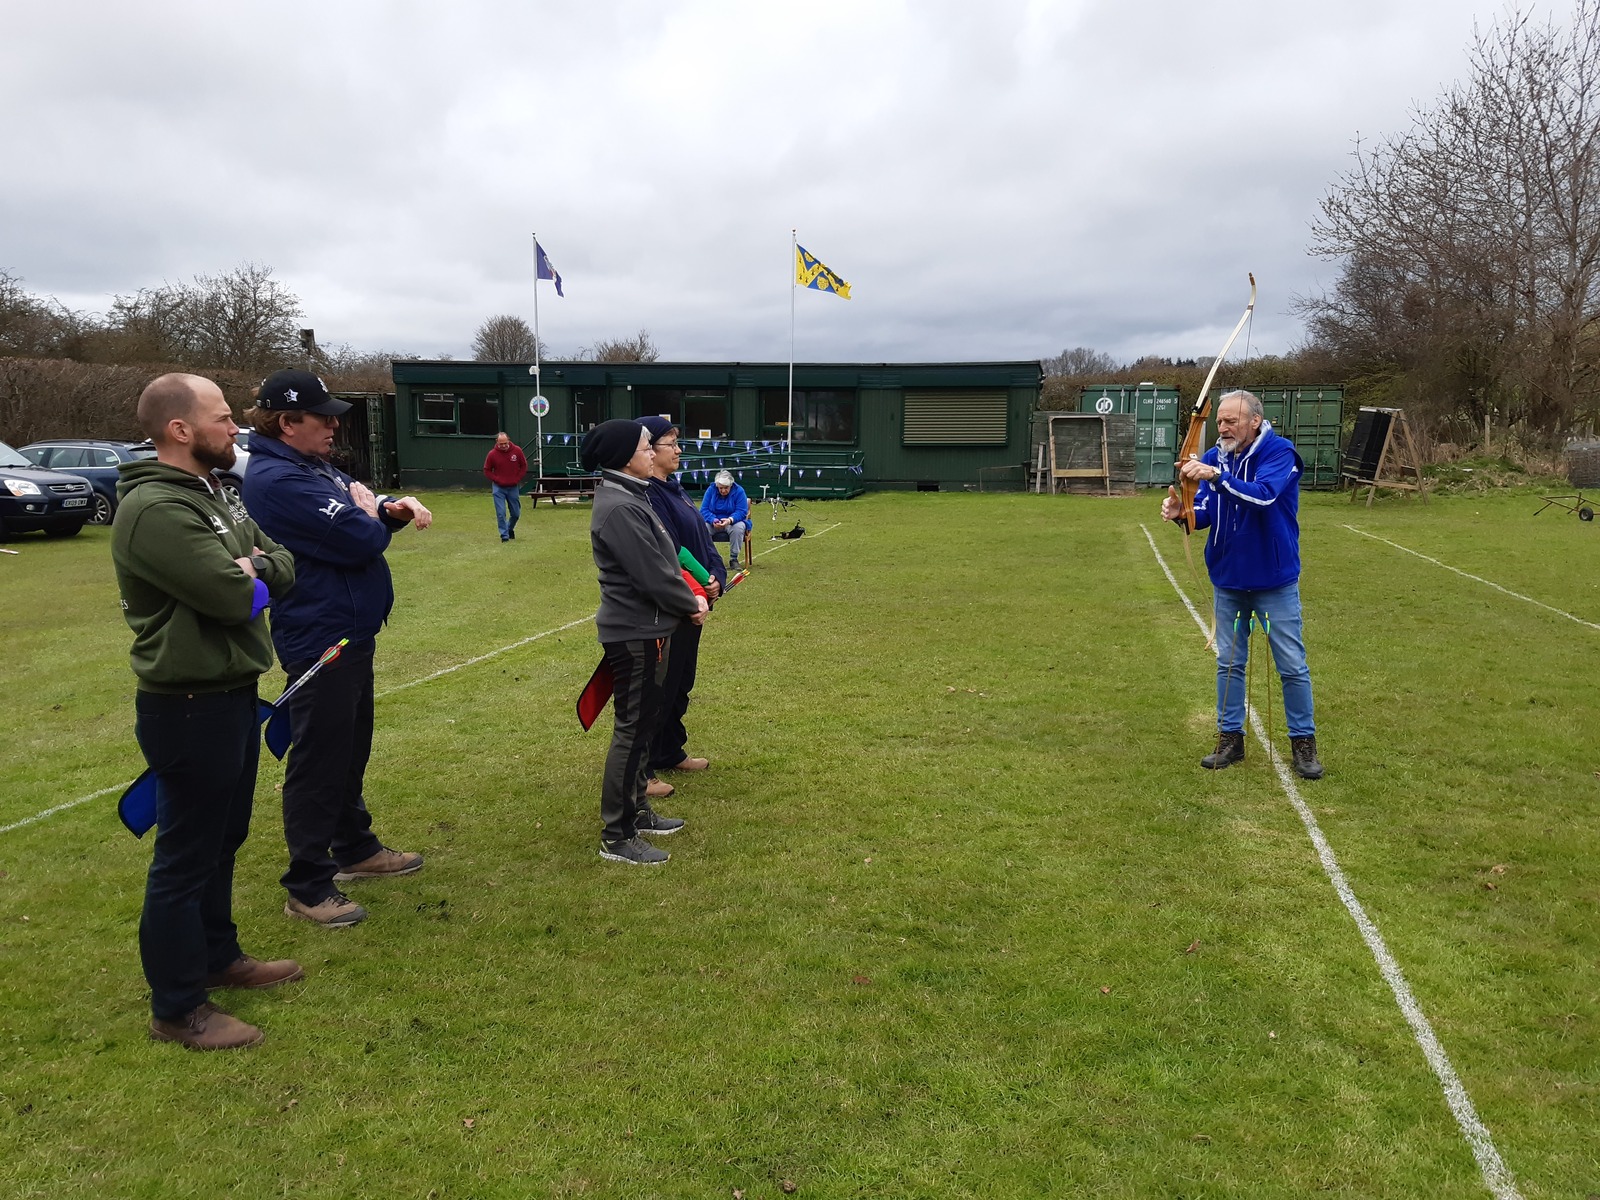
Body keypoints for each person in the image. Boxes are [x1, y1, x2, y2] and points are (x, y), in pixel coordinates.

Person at [112, 373, 302, 1050]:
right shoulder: (158, 510)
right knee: (185, 855)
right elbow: (231, 598)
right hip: (186, 704)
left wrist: (254, 570)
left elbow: (282, 565)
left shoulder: (213, 494)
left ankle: (220, 957)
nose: (236, 429)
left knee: (224, 839)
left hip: (230, 692)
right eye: (223, 418)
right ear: (179, 430)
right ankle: (177, 1007)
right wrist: (247, 575)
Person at [241, 369, 434, 927]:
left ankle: (354, 847)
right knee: (320, 756)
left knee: (349, 747)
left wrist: (383, 505)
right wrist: (375, 515)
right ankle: (306, 883)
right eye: (321, 416)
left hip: (349, 629)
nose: (334, 425)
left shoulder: (311, 465)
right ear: (286, 422)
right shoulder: (279, 478)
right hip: (320, 635)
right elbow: (357, 535)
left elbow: (363, 509)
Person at [1161, 389, 1324, 779]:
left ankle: (1304, 744)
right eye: (1219, 420)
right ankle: (1229, 739)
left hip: (1273, 580)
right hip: (1229, 580)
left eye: (1232, 420)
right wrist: (1183, 512)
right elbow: (1208, 511)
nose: (1223, 426)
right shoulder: (1217, 456)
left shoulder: (1280, 454)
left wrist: (1216, 476)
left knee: (1291, 665)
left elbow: (1264, 497)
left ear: (1255, 420)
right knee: (1229, 664)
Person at [581, 418, 707, 865]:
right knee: (632, 732)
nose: (653, 453)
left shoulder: (632, 495)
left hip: (650, 628)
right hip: (635, 633)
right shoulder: (619, 505)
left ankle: (637, 811)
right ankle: (617, 835)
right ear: (623, 457)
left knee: (642, 727)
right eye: (644, 447)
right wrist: (690, 600)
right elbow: (652, 572)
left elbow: (667, 556)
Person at [640, 416, 722, 777]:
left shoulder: (675, 488)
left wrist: (716, 575)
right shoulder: (649, 495)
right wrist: (698, 586)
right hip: (674, 604)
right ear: (648, 451)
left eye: (677, 443)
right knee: (664, 684)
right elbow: (670, 551)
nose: (678, 450)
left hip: (696, 599)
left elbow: (703, 540)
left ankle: (670, 750)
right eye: (670, 444)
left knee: (682, 681)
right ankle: (645, 765)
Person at [482, 431, 528, 543]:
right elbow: (487, 470)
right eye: (501, 444)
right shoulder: (492, 454)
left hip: (513, 487)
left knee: (516, 513)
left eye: (505, 443)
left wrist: (517, 479)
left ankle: (509, 528)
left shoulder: (517, 451)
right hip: (499, 488)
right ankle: (504, 536)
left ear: (509, 440)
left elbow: (524, 466)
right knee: (501, 513)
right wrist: (497, 479)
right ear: (497, 442)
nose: (503, 446)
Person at [700, 470, 751, 570]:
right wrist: (713, 520)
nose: (723, 491)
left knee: (739, 527)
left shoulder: (739, 491)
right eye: (720, 488)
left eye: (726, 488)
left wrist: (729, 520)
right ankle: (710, 558)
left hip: (732, 521)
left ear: (731, 485)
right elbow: (704, 510)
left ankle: (734, 559)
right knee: (702, 527)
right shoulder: (711, 490)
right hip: (714, 522)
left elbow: (741, 511)